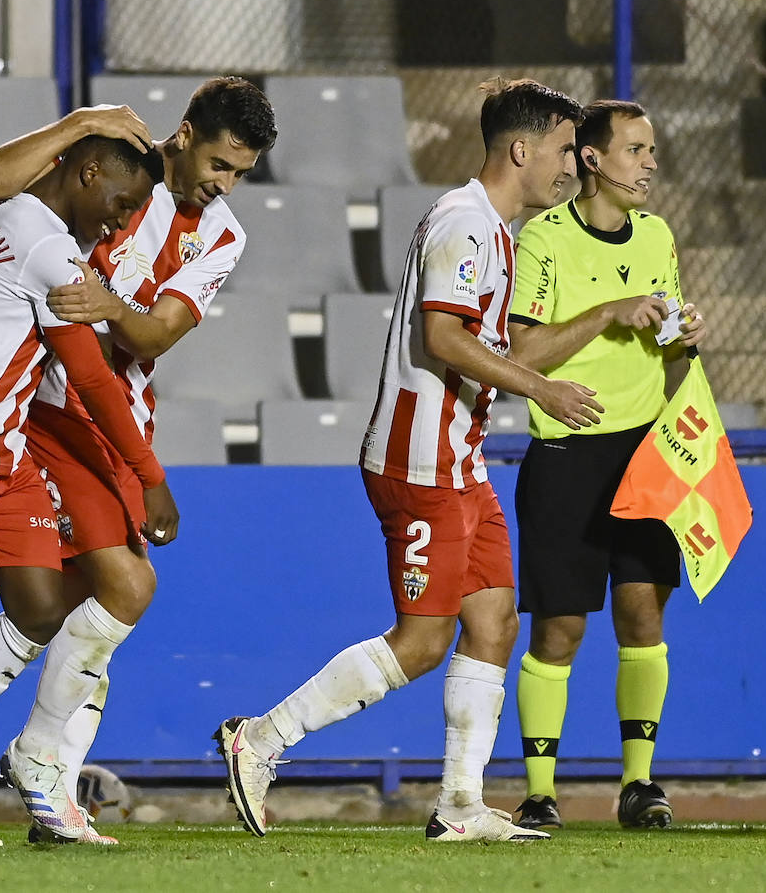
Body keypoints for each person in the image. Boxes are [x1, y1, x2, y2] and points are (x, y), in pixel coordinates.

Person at [0, 77, 278, 844]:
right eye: (222, 165)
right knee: (123, 585)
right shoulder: (112, 165)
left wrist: (110, 307)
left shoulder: (223, 234)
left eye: (242, 175)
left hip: (105, 418)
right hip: (39, 413)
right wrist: (85, 119)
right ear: (184, 134)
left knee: (59, 603)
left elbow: (151, 336)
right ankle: (24, 764)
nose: (225, 186)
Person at [215, 78, 603, 843]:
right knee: (423, 641)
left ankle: (460, 804)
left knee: (493, 622)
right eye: (563, 150)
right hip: (417, 462)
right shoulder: (464, 223)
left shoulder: (495, 230)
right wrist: (541, 391)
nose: (571, 166)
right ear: (520, 150)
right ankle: (259, 739)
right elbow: (443, 338)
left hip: (460, 460)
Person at [0, 134, 177, 846]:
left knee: (41, 603)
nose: (122, 220)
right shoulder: (53, 253)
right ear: (87, 171)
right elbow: (95, 381)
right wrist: (151, 478)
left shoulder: (10, 213)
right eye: (122, 201)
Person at [507, 100, 707, 831]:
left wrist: (686, 338)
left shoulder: (657, 236)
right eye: (636, 149)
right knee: (559, 628)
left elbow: (673, 343)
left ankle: (639, 785)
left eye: (653, 150)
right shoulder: (544, 239)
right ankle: (539, 793)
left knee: (643, 615)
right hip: (568, 451)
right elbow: (521, 357)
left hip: (647, 452)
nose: (650, 162)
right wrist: (606, 312)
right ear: (592, 158)